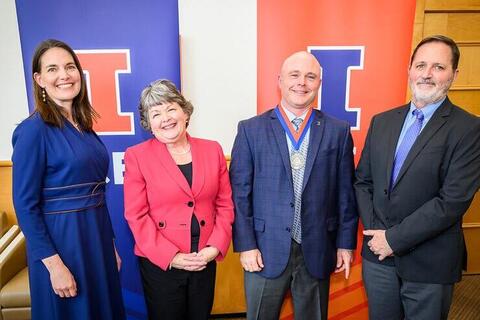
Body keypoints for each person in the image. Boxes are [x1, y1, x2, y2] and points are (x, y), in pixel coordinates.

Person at [355, 35, 480, 320]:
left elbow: (452, 201)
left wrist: (393, 239)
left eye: (438, 67)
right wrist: (378, 235)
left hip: (430, 263)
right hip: (378, 258)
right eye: (421, 65)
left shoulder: (470, 129)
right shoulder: (382, 121)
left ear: (454, 74)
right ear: (409, 70)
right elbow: (363, 182)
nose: (426, 74)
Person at [230, 51, 358, 320]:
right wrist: (246, 245)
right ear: (279, 80)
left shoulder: (338, 130)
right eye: (294, 75)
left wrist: (345, 245)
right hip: (264, 250)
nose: (302, 82)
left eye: (310, 76)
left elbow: (346, 194)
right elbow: (240, 194)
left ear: (319, 83)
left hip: (318, 246)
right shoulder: (250, 129)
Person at [11, 39, 125, 319]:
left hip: (96, 242)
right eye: (52, 69)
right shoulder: (32, 131)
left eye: (70, 67)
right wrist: (54, 265)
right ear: (39, 79)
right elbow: (25, 206)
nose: (64, 75)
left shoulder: (85, 127)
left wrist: (110, 244)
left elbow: (97, 195)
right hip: (62, 247)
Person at [123, 79, 234, 320]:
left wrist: (214, 247)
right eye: (156, 113)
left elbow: (225, 204)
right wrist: (171, 256)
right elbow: (136, 215)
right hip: (162, 264)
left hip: (204, 258)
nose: (166, 118)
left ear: (185, 112)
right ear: (148, 124)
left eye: (171, 108)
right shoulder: (137, 157)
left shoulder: (212, 149)